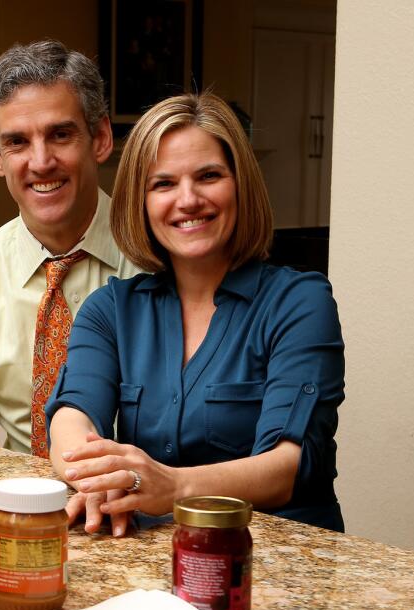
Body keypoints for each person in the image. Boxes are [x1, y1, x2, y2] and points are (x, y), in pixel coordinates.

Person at [46, 91, 345, 535]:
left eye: (208, 176)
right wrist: (94, 478)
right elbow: (73, 417)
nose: (187, 200)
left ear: (240, 184)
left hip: (279, 559)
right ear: (140, 202)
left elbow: (287, 465)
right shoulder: (109, 310)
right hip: (152, 553)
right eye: (163, 184)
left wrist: (172, 486)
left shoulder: (299, 302)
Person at [0, 40, 140, 456]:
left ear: (101, 138)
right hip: (22, 513)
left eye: (60, 134)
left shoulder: (160, 261)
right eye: (17, 142)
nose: (40, 161)